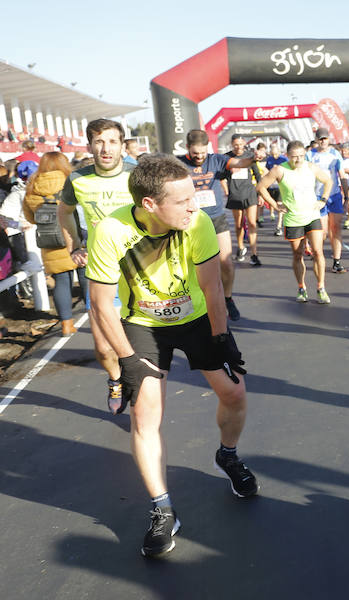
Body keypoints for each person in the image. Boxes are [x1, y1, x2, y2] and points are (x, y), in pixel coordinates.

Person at [85, 153, 257, 557]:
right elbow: (101, 304)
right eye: (182, 201)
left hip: (195, 317)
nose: (195, 206)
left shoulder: (197, 223)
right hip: (143, 324)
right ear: (150, 204)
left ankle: (227, 457)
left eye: (193, 197)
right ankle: (162, 508)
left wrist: (221, 338)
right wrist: (126, 360)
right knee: (145, 414)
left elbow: (213, 287)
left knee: (234, 393)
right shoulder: (110, 230)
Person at [59, 118, 135, 413]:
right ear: (90, 145)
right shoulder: (78, 179)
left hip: (138, 270)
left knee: (140, 341)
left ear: (121, 145)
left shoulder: (136, 174)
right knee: (104, 348)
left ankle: (138, 386)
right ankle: (115, 379)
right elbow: (64, 213)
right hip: (101, 271)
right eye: (99, 142)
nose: (106, 148)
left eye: (112, 141)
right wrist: (74, 246)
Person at [178, 129, 259, 321]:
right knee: (190, 267)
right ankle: (197, 304)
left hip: (215, 218)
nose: (199, 157)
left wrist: (253, 158)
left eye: (202, 153)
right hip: (189, 220)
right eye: (195, 153)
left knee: (226, 262)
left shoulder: (216, 160)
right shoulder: (179, 163)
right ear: (188, 148)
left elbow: (240, 163)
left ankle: (228, 299)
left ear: (208, 148)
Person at [257, 141, 333, 304]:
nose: (298, 160)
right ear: (287, 155)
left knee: (318, 252)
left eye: (301, 156)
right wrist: (274, 204)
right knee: (298, 255)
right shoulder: (280, 170)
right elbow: (261, 187)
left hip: (312, 216)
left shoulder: (311, 167)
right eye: (294, 157)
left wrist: (323, 200)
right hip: (293, 219)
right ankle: (301, 287)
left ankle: (321, 288)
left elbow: (328, 181)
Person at [23, 152, 82, 336]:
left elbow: (30, 219)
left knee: (62, 282)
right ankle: (97, 318)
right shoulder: (71, 180)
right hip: (75, 237)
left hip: (50, 242)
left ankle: (66, 324)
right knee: (87, 276)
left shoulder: (33, 186)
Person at [307, 128, 347, 274]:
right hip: (317, 196)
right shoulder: (310, 155)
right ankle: (318, 255)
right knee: (322, 231)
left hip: (334, 195)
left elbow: (342, 174)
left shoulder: (335, 154)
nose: (323, 141)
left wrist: (347, 195)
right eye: (320, 139)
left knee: (335, 228)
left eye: (325, 138)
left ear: (329, 139)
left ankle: (337, 261)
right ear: (316, 140)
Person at [224, 134, 264, 266]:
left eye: (240, 144)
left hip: (249, 193)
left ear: (244, 143)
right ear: (232, 144)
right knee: (239, 224)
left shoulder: (249, 156)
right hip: (235, 194)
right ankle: (241, 248)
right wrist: (225, 189)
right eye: (235, 144)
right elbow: (221, 176)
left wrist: (261, 194)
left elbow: (258, 175)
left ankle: (254, 253)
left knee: (252, 223)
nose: (238, 147)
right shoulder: (227, 157)